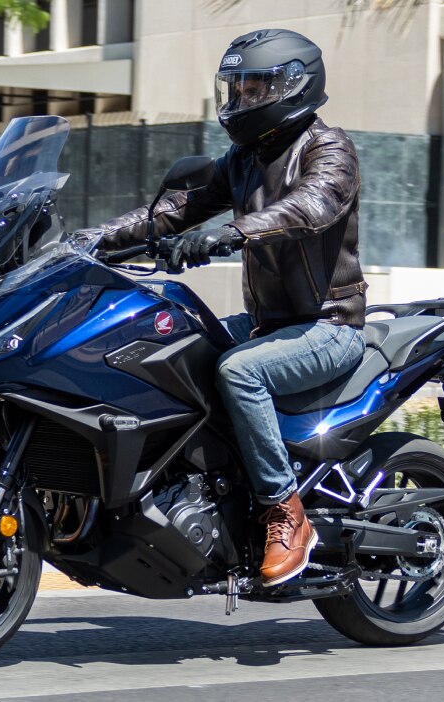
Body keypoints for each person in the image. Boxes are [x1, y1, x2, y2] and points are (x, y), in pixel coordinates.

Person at [97, 29, 365, 586]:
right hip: (268, 321)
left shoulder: (329, 148)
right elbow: (177, 209)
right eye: (236, 88)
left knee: (238, 370)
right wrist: (91, 240)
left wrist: (231, 233)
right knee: (166, 342)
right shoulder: (244, 158)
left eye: (253, 88)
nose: (240, 100)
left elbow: (310, 207)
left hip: (329, 324)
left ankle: (284, 511)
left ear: (292, 86)